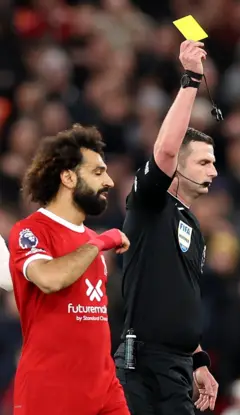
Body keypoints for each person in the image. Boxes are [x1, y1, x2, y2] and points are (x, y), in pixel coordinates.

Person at [114, 40, 218, 415]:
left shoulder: (191, 222)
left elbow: (179, 298)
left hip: (177, 367)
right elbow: (165, 152)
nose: (214, 171)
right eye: (204, 162)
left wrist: (199, 359)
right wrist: (191, 79)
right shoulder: (149, 204)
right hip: (142, 365)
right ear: (179, 167)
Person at [7, 125, 131, 415]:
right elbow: (50, 278)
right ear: (68, 176)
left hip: (104, 388)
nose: (110, 182)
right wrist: (102, 241)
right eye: (98, 172)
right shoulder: (31, 230)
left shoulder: (91, 242)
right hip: (51, 393)